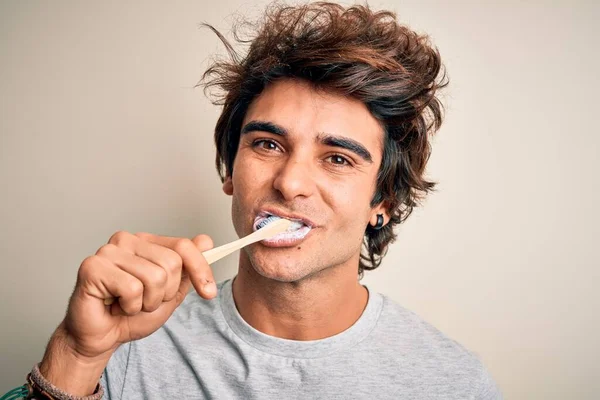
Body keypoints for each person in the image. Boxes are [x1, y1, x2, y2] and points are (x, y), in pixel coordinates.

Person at [12, 2, 502, 399]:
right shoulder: (125, 347)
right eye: (268, 145)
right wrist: (76, 355)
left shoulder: (453, 383)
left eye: (337, 159)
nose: (290, 183)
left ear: (384, 201)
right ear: (230, 170)